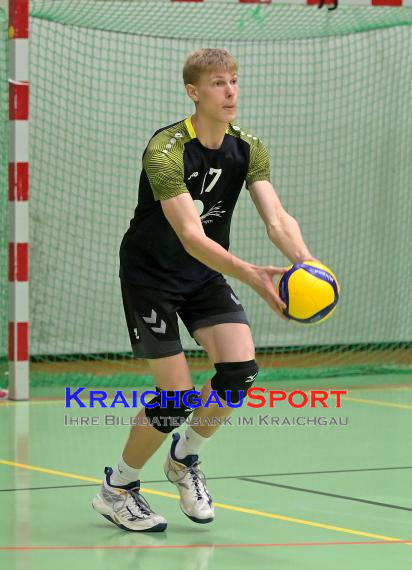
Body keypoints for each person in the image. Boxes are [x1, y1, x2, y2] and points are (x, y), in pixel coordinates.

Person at [92, 48, 316, 532]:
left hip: (204, 273)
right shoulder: (167, 149)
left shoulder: (248, 147)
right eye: (218, 83)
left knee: (239, 373)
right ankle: (118, 487)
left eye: (234, 80)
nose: (230, 90)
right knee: (175, 397)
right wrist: (253, 275)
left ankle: (184, 460)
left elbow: (276, 218)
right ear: (194, 92)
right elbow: (192, 235)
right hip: (151, 276)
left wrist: (307, 263)